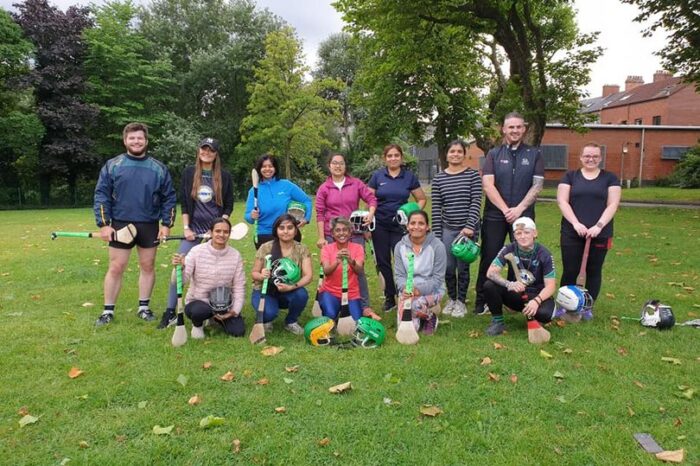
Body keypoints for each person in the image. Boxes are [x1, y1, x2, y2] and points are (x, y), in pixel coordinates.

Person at [93, 122, 177, 326]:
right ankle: (108, 311)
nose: (136, 141)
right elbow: (101, 194)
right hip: (120, 223)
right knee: (116, 267)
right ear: (125, 141)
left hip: (149, 224)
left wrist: (166, 224)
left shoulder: (158, 168)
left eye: (140, 138)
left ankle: (144, 307)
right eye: (132, 138)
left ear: (146, 141)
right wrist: (104, 224)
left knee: (147, 266)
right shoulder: (113, 166)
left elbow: (169, 198)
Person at [158, 138, 234, 329]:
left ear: (216, 154)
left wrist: (218, 228)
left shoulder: (224, 176)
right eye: (203, 149)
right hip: (193, 231)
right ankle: (170, 312)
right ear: (199, 151)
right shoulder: (189, 173)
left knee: (216, 272)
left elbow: (229, 205)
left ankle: (217, 309)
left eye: (211, 150)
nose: (206, 152)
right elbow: (184, 202)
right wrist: (186, 228)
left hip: (215, 233)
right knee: (178, 270)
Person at [474, 112, 544, 316]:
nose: (514, 130)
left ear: (524, 129)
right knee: (489, 256)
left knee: (524, 259)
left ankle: (521, 300)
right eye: (510, 127)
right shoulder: (494, 154)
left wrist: (520, 209)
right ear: (503, 129)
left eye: (518, 127)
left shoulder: (534, 154)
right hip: (496, 215)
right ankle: (483, 301)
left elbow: (537, 186)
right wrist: (505, 209)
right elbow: (488, 185)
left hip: (523, 215)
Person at [557, 143, 621, 301]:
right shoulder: (570, 176)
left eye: (595, 156)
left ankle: (587, 306)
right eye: (587, 156)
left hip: (600, 233)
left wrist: (599, 226)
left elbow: (613, 204)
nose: (590, 159)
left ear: (600, 158)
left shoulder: (610, 178)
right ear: (581, 157)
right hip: (571, 232)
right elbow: (562, 201)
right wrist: (575, 223)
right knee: (570, 270)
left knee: (594, 270)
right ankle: (566, 304)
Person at [315, 153, 377, 316]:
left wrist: (370, 214)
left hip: (355, 233)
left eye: (341, 163)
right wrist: (322, 236)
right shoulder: (324, 188)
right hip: (332, 234)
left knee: (358, 269)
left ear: (345, 166)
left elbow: (371, 199)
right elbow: (320, 213)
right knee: (333, 267)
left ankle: (364, 306)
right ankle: (332, 299)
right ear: (329, 166)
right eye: (334, 163)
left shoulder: (356, 184)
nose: (338, 166)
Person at [368, 144, 427, 312]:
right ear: (384, 158)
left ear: (401, 158)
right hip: (379, 225)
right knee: (383, 261)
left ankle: (405, 294)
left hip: (400, 227)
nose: (393, 158)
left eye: (396, 155)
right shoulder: (377, 176)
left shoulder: (409, 177)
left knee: (403, 261)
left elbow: (421, 199)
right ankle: (389, 297)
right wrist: (368, 221)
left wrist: (413, 215)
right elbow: (369, 198)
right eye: (389, 156)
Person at [430, 140, 482, 318]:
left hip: (467, 230)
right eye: (452, 151)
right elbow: (436, 208)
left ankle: (461, 301)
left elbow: (476, 202)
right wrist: (437, 235)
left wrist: (469, 226)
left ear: (464, 154)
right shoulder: (439, 178)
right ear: (447, 154)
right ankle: (451, 299)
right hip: (447, 229)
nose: (455, 154)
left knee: (463, 267)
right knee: (448, 267)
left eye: (459, 151)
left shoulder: (473, 175)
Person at [172, 217, 246, 338]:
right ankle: (198, 324)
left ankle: (215, 318)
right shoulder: (196, 251)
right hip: (199, 301)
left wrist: (234, 311)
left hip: (224, 303)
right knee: (199, 311)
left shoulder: (235, 255)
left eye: (225, 232)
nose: (221, 235)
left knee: (238, 331)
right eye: (217, 231)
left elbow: (239, 286)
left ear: (229, 234)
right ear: (211, 232)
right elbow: (181, 281)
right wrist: (180, 268)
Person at [483, 217, 556, 336]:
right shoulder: (509, 249)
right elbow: (491, 272)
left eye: (527, 232)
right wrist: (509, 284)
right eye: (518, 233)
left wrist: (536, 301)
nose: (522, 236)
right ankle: (498, 322)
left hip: (537, 295)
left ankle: (533, 316)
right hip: (516, 293)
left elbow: (551, 286)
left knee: (546, 315)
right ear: (514, 236)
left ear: (535, 233)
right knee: (489, 285)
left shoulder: (545, 254)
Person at [251, 214, 313, 334]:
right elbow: (254, 273)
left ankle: (291, 322)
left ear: (295, 230)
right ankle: (266, 318)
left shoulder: (302, 249)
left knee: (301, 294)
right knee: (269, 314)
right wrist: (261, 275)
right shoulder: (266, 247)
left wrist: (292, 287)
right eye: (281, 228)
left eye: (290, 228)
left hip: (288, 289)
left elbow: (308, 276)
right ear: (276, 230)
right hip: (265, 290)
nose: (286, 231)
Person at [394, 210, 447, 335]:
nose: (416, 227)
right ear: (407, 226)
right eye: (412, 223)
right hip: (408, 290)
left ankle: (430, 316)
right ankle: (420, 317)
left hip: (433, 289)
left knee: (415, 305)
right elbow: (399, 275)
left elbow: (438, 279)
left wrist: (418, 290)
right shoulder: (399, 247)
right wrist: (405, 288)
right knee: (409, 328)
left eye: (421, 223)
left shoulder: (438, 246)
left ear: (427, 227)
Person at [245, 154, 312, 249]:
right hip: (265, 235)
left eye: (270, 166)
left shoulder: (286, 185)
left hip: (288, 233)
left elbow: (306, 200)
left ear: (275, 168)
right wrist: (251, 216)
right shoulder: (254, 190)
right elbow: (248, 216)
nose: (267, 169)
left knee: (290, 264)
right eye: (264, 166)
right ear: (259, 169)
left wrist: (306, 218)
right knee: (270, 264)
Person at [318, 216, 365, 322]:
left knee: (356, 322)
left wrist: (350, 260)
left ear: (349, 233)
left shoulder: (358, 248)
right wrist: (336, 261)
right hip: (330, 291)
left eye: (345, 230)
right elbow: (326, 271)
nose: (341, 233)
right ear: (333, 234)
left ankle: (344, 310)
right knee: (330, 315)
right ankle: (333, 309)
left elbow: (359, 271)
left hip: (351, 293)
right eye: (337, 230)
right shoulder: (327, 249)